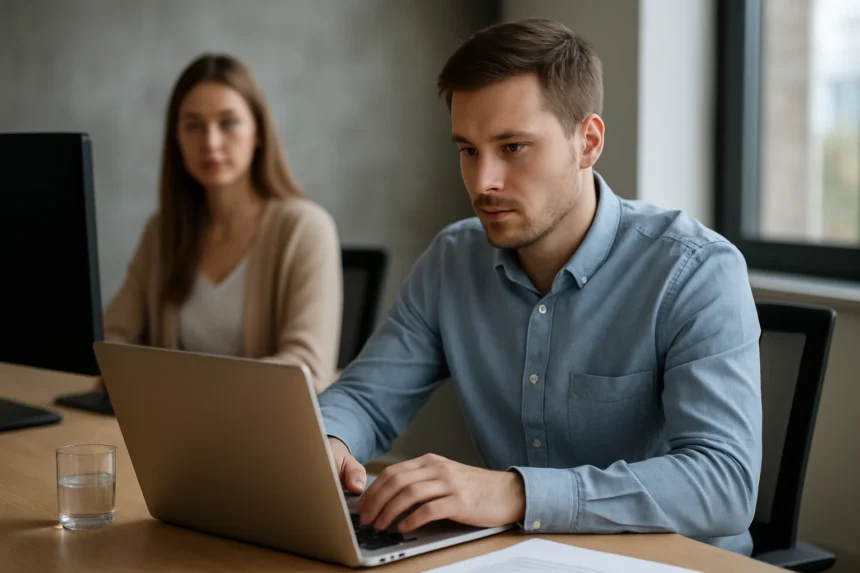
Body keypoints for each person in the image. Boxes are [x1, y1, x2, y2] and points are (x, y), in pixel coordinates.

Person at [318, 19, 762, 555]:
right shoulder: (451, 261)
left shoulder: (696, 271)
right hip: (517, 557)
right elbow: (365, 398)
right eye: (468, 150)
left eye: (513, 147)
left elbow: (723, 483)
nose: (483, 182)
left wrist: (516, 492)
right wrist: (329, 442)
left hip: (670, 562)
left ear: (588, 141)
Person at [102, 54, 342, 393]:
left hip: (265, 423)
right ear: (176, 139)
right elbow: (112, 340)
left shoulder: (305, 228)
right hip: (174, 422)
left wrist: (185, 388)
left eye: (228, 123)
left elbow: (306, 367)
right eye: (193, 126)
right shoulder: (162, 231)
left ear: (258, 133)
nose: (210, 143)